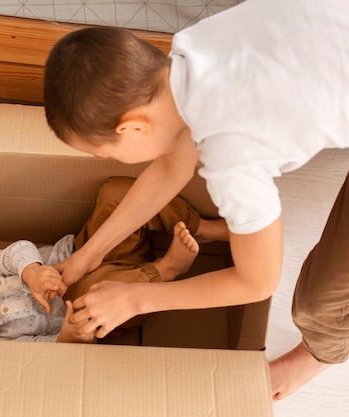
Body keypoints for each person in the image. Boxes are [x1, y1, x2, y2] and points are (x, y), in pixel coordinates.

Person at [42, 0, 349, 400]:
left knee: (319, 303)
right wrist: (90, 254)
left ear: (132, 127)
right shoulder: (192, 50)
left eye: (107, 154)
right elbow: (172, 168)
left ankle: (320, 354)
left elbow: (258, 281)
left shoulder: (231, 157)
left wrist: (135, 297)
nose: (110, 161)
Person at [0, 177, 228, 343]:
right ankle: (169, 268)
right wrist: (69, 335)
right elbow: (46, 353)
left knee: (114, 194)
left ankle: (205, 229)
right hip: (112, 300)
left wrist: (31, 271)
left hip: (88, 249)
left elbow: (14, 251)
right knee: (88, 295)